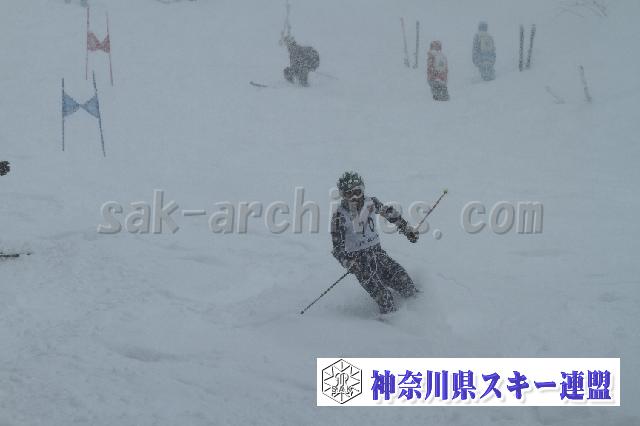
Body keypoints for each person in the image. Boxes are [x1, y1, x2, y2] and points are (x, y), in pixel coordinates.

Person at [331, 171, 419, 314]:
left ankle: (420, 315)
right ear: (343, 195)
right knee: (384, 298)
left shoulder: (371, 202)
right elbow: (337, 249)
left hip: (379, 256)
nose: (354, 197)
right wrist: (348, 262)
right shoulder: (339, 216)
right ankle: (389, 324)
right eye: (349, 194)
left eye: (357, 192)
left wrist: (406, 229)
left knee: (406, 284)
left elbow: (390, 213)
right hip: (361, 265)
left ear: (363, 190)